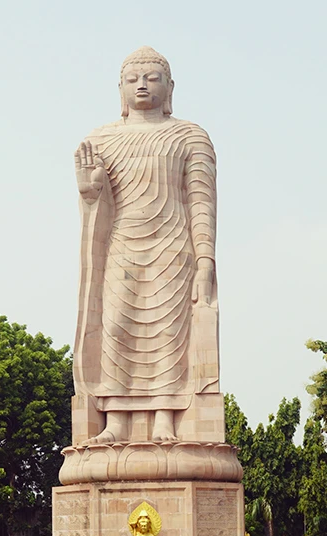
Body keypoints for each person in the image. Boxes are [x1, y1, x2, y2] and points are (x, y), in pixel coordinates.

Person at [73, 46, 219, 445]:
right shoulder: (101, 139)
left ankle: (164, 418)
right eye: (133, 79)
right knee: (116, 327)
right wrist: (90, 192)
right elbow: (97, 207)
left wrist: (205, 256)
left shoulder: (190, 136)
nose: (141, 85)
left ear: (169, 87)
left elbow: (201, 199)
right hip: (123, 243)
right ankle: (116, 420)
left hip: (173, 246)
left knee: (170, 333)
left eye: (151, 78)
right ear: (119, 88)